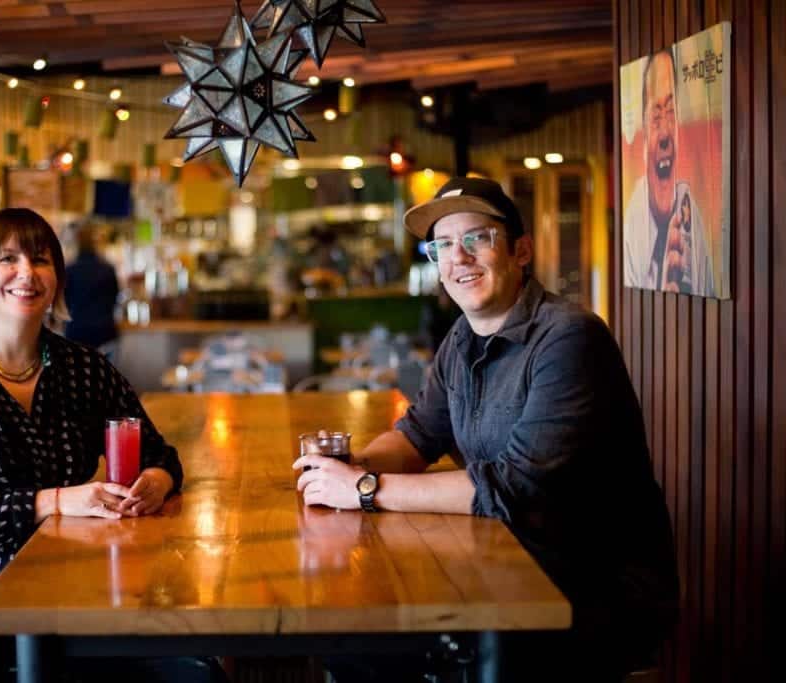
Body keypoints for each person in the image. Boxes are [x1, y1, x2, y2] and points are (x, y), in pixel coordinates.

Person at [294, 177, 679, 682]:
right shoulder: (463, 337)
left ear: (521, 251)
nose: (459, 258)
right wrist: (349, 467)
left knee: (370, 649)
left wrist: (366, 490)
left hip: (588, 591)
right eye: (444, 245)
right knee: (351, 637)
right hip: (506, 568)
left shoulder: (569, 338)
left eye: (477, 239)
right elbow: (416, 436)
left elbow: (514, 487)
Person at [0, 208, 213, 683]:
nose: (26, 272)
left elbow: (159, 455)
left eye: (40, 259)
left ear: (57, 279)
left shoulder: (84, 368)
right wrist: (55, 501)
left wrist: (156, 483)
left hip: (68, 572)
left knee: (188, 666)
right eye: (8, 259)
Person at [624, 48, 715, 296]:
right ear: (642, 136)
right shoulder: (632, 223)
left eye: (671, 112)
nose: (665, 134)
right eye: (655, 116)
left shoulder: (690, 215)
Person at [64, 226, 120, 351]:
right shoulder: (108, 269)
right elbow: (115, 298)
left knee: (77, 370)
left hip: (76, 331)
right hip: (105, 332)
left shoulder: (70, 270)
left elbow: (64, 303)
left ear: (76, 244)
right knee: (104, 370)